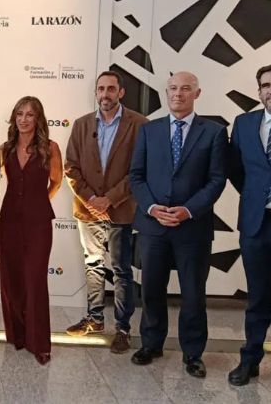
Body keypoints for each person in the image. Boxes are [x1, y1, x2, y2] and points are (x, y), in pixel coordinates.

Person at [129, 71, 227, 378]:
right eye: (172, 88)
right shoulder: (149, 130)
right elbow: (136, 176)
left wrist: (188, 210)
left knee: (193, 293)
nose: (178, 94)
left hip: (193, 228)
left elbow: (216, 180)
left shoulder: (214, 132)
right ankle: (151, 344)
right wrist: (152, 208)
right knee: (151, 289)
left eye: (185, 89)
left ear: (197, 94)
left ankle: (193, 353)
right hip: (153, 225)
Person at [64, 71, 147, 353]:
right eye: (101, 89)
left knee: (122, 270)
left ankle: (123, 328)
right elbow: (71, 167)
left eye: (111, 89)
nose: (105, 94)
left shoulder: (139, 125)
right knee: (93, 265)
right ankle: (95, 319)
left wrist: (109, 199)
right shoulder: (81, 124)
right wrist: (91, 199)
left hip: (120, 210)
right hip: (87, 209)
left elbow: (139, 170)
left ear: (121, 92)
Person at [0, 96, 63, 365]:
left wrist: (38, 201)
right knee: (12, 279)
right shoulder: (5, 148)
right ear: (14, 118)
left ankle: (39, 343)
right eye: (20, 114)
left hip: (38, 222)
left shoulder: (50, 148)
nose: (24, 119)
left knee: (35, 280)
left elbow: (57, 182)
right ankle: (18, 335)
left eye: (30, 114)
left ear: (39, 119)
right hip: (9, 220)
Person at [227, 65, 271, 386]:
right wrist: (258, 196)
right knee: (257, 295)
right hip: (256, 222)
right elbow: (235, 169)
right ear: (259, 91)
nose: (270, 90)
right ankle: (250, 360)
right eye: (265, 85)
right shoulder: (244, 123)